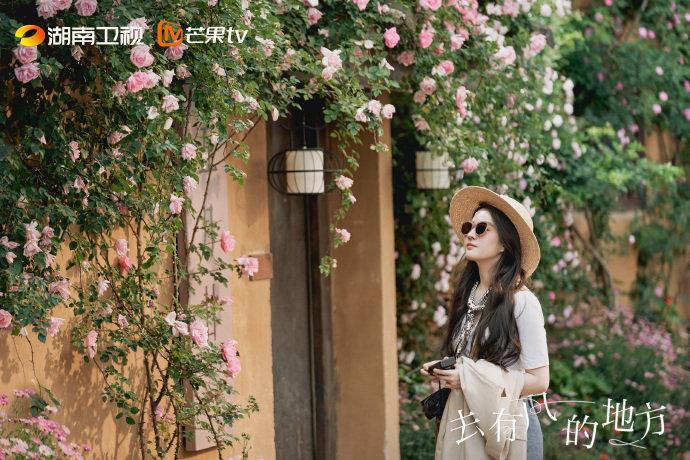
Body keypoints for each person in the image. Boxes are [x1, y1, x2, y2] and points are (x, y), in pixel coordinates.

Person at [420, 186, 550, 460]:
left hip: (509, 429)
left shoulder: (523, 302)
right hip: (467, 424)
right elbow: (473, 362)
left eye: (482, 229)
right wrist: (448, 369)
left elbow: (540, 381)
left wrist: (467, 379)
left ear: (504, 243)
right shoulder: (468, 294)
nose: (470, 234)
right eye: (469, 227)